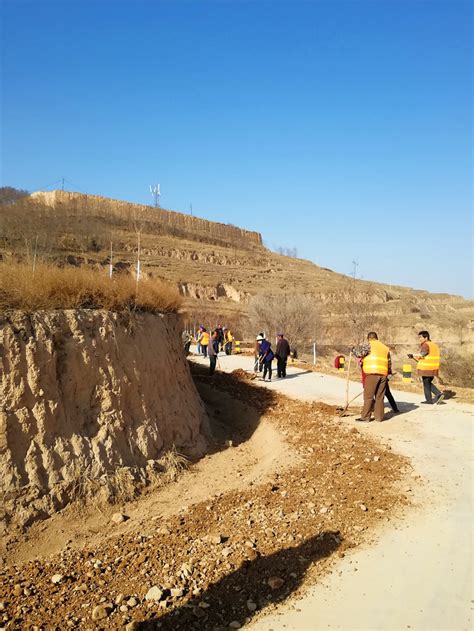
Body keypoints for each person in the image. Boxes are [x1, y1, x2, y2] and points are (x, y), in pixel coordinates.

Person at [352, 331, 390, 423]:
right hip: (383, 374)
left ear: (369, 338)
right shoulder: (385, 348)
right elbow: (389, 363)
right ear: (377, 338)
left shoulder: (369, 345)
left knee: (368, 397)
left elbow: (360, 354)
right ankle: (379, 417)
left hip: (372, 374)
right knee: (380, 397)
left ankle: (365, 417)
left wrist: (352, 349)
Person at [408, 330, 444, 404]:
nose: (419, 339)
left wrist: (413, 354)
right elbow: (423, 358)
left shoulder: (426, 345)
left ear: (426, 337)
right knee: (427, 383)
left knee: (426, 383)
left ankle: (437, 394)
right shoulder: (434, 345)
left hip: (426, 368)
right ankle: (431, 399)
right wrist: (413, 357)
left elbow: (422, 355)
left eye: (420, 337)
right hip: (433, 368)